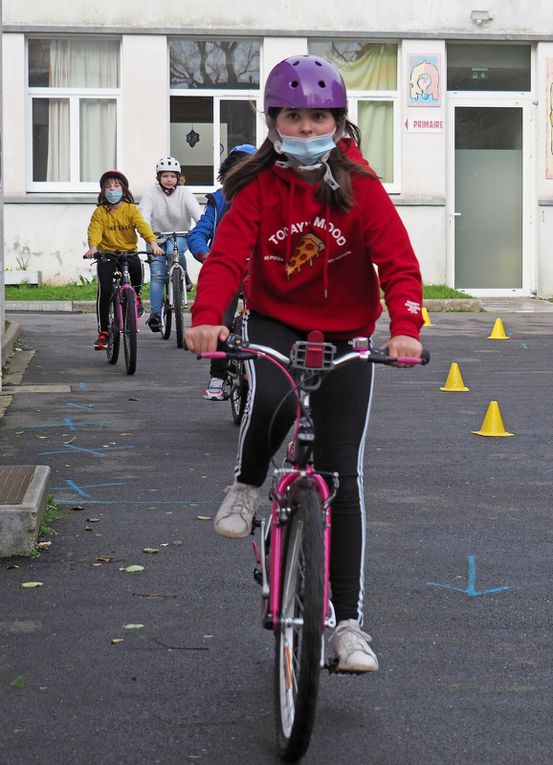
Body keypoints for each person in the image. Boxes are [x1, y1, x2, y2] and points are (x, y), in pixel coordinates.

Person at [185, 55, 424, 674]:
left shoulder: (360, 187)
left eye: (319, 116)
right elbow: (225, 258)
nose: (307, 126)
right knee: (271, 399)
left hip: (345, 333)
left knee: (342, 478)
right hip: (276, 321)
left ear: (338, 122)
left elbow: (398, 264)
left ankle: (348, 625)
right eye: (294, 116)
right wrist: (206, 316)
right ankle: (246, 483)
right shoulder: (259, 188)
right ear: (274, 123)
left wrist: (405, 330)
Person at [187, 144, 257, 400]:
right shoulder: (219, 199)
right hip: (227, 268)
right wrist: (205, 254)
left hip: (260, 269)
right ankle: (218, 375)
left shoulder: (271, 197)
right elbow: (199, 232)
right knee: (222, 320)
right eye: (237, 167)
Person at [85, 170, 164, 350]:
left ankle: (136, 298)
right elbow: (95, 230)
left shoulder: (131, 210)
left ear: (123, 189)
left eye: (116, 186)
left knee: (137, 266)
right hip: (107, 254)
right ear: (103, 192)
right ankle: (104, 332)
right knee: (105, 290)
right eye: (108, 187)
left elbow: (142, 227)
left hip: (128, 252)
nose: (112, 190)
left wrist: (153, 243)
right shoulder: (100, 212)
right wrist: (93, 248)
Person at [139, 157, 201, 332]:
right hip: (156, 238)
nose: (169, 179)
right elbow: (144, 216)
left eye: (172, 176)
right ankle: (156, 315)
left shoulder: (185, 193)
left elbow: (198, 215)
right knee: (157, 275)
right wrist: (150, 238)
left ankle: (183, 275)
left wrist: (203, 230)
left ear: (178, 178)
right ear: (159, 177)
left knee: (175, 250)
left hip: (179, 234)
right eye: (165, 175)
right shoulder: (151, 193)